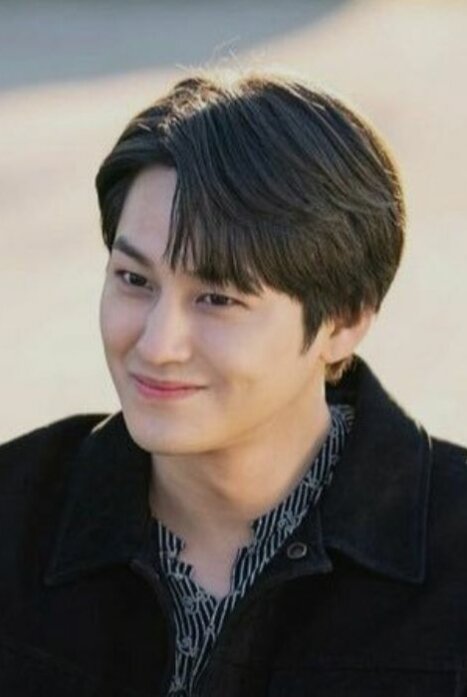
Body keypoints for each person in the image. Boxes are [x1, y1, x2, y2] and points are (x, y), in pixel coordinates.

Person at [1, 70, 466, 697]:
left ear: (344, 321)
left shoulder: (453, 552)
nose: (157, 345)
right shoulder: (16, 512)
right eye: (135, 280)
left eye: (217, 298)